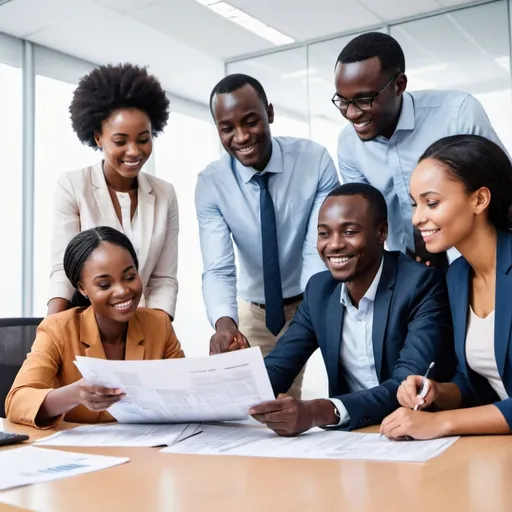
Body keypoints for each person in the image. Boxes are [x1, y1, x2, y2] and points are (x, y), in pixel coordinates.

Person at [247, 183, 454, 436]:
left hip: (418, 433)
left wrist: (318, 411)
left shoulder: (420, 284)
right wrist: (214, 399)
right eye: (324, 233)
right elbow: (279, 366)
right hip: (353, 436)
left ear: (381, 233)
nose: (333, 245)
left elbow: (408, 383)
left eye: (349, 231)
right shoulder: (319, 290)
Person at [196, 73, 339, 398]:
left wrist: (311, 311)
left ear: (269, 113)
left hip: (314, 298)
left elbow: (317, 248)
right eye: (227, 128)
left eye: (250, 121)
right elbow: (218, 266)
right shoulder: (212, 183)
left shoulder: (313, 161)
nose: (241, 136)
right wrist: (224, 324)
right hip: (254, 313)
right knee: (256, 406)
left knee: (345, 393)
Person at [334, 32, 505, 270]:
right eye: (342, 101)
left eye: (364, 99)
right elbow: (367, 220)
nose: (352, 113)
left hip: (475, 263)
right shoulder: (349, 144)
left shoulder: (458, 114)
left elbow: (502, 194)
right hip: (407, 271)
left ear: (399, 85)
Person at [381, 134, 512, 440]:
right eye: (415, 204)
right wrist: (436, 391)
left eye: (432, 203)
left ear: (479, 200)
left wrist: (443, 423)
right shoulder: (456, 275)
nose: (417, 218)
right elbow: (478, 385)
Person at [6, 227, 184, 428]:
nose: (122, 291)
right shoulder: (57, 329)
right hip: (80, 450)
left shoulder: (159, 324)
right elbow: (17, 401)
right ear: (82, 288)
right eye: (105, 285)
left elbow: (185, 393)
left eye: (129, 277)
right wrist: (75, 394)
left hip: (148, 450)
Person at [48, 63, 179, 319]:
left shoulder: (165, 194)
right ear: (98, 138)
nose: (134, 151)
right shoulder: (73, 186)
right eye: (120, 141)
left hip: (141, 326)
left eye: (143, 139)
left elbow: (163, 279)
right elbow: (63, 271)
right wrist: (48, 331)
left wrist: (158, 333)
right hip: (85, 323)